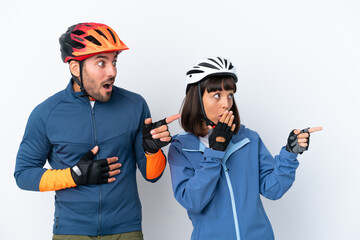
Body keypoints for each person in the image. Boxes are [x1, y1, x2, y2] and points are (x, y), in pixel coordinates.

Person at [14, 22, 180, 240]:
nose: (112, 71)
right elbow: (23, 174)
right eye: (101, 63)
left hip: (126, 229)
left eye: (114, 62)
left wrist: (152, 151)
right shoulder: (46, 113)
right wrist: (73, 176)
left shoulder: (135, 105)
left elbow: (152, 176)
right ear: (75, 68)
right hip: (72, 231)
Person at [168, 56, 322, 240]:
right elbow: (193, 201)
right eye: (217, 95)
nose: (226, 103)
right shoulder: (181, 147)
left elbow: (273, 190)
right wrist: (215, 152)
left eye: (230, 94)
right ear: (197, 99)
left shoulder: (249, 139)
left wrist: (289, 154)